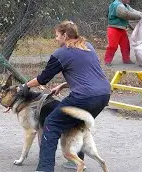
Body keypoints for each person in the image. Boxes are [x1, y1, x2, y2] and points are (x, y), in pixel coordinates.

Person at [17, 20, 111, 172]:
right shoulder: (88, 47)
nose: (56, 39)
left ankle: (45, 168)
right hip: (104, 95)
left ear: (65, 35)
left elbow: (43, 79)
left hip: (83, 97)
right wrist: (63, 85)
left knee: (50, 124)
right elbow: (89, 75)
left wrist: (25, 86)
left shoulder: (61, 53)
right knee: (77, 123)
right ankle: (77, 162)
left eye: (57, 35)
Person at [105, 0, 142, 66]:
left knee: (125, 45)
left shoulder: (124, 5)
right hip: (113, 29)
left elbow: (133, 11)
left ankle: (126, 60)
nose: (128, 1)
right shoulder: (117, 5)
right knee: (112, 46)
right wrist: (140, 17)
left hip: (121, 29)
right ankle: (107, 61)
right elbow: (127, 14)